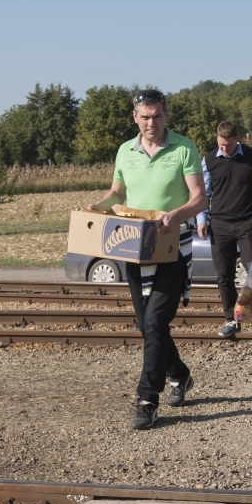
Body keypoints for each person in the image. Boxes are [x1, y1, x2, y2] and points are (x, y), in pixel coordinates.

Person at [87, 89, 207, 430]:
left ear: (166, 116)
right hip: (133, 246)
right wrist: (98, 206)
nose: (151, 122)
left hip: (171, 246)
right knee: (146, 326)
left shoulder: (184, 148)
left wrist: (177, 213)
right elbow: (117, 193)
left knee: (155, 323)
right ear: (135, 118)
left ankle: (146, 399)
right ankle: (180, 374)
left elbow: (200, 199)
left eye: (156, 115)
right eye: (144, 117)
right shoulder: (126, 150)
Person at [197, 121, 252, 337]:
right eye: (220, 144)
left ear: (238, 139)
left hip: (248, 222)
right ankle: (232, 320)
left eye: (228, 145)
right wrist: (201, 219)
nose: (224, 149)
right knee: (224, 275)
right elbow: (203, 194)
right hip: (220, 225)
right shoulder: (208, 160)